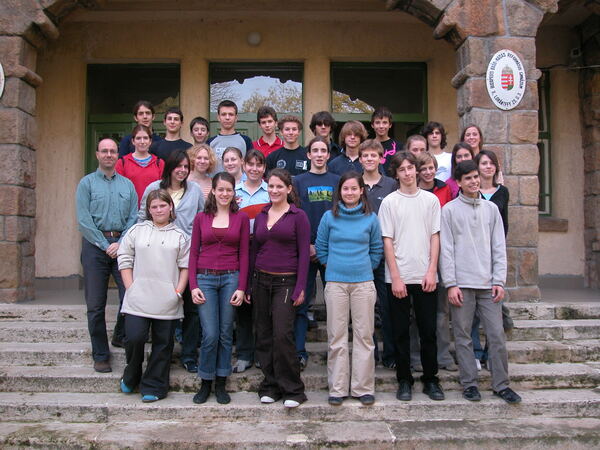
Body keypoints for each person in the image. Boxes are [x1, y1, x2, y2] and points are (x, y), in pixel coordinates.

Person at [440, 160, 521, 404]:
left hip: (488, 285)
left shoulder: (491, 210)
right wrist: (451, 284)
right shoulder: (449, 211)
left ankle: (501, 384)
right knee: (463, 336)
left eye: (476, 176)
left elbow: (499, 247)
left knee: (496, 334)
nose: (474, 181)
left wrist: (499, 280)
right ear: (459, 182)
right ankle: (470, 384)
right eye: (468, 178)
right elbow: (446, 250)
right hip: (461, 284)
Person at [378, 151, 444, 402]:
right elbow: (387, 241)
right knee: (400, 332)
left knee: (428, 331)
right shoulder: (389, 202)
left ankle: (431, 379)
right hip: (399, 277)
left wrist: (432, 270)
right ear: (396, 174)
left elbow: (435, 236)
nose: (407, 173)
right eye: (401, 169)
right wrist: (395, 277)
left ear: (417, 170)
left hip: (425, 275)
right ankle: (404, 380)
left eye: (410, 168)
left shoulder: (430, 200)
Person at [316, 172, 383, 406]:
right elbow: (321, 247)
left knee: (364, 336)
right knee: (337, 336)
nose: (350, 193)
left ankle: (363, 388)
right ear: (340, 192)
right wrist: (334, 266)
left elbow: (376, 249)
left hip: (363, 283)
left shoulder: (371, 218)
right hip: (336, 283)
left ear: (361, 190)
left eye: (354, 188)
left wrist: (363, 267)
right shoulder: (329, 217)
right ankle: (337, 388)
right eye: (345, 189)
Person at [117, 189, 190, 402]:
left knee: (163, 345)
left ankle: (154, 386)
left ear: (170, 207)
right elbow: (124, 257)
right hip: (138, 298)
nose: (159, 210)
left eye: (163, 205)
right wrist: (130, 287)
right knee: (134, 338)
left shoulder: (180, 236)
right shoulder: (137, 231)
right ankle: (132, 374)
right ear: (149, 210)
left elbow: (185, 267)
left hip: (167, 300)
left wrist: (178, 292)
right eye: (154, 207)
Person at [138, 149, 205, 373]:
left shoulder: (195, 190)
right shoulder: (154, 188)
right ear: (170, 167)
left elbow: (202, 218)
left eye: (186, 167)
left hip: (188, 255)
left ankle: (189, 355)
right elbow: (141, 219)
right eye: (179, 166)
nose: (182, 170)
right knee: (164, 307)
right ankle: (163, 354)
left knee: (191, 308)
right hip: (159, 257)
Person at [249, 168, 310, 408]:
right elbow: (254, 250)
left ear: (288, 189)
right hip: (260, 280)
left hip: (286, 281)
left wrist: (301, 286)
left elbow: (304, 253)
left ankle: (293, 390)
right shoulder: (262, 215)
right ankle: (270, 386)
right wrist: (249, 285)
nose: (274, 190)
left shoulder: (298, 216)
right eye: (271, 186)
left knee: (282, 335)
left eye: (279, 186)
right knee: (263, 334)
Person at [76, 138, 138, 373]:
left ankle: (120, 335)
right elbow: (84, 220)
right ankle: (101, 354)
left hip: (123, 245)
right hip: (95, 246)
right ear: (97, 154)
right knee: (95, 305)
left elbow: (134, 217)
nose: (109, 154)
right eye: (104, 151)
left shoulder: (127, 185)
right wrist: (105, 245)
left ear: (117, 155)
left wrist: (120, 243)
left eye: (113, 151)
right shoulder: (87, 184)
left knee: (129, 298)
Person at [189, 172, 250, 405]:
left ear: (234, 192)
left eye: (229, 190)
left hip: (230, 279)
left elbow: (244, 254)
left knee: (225, 333)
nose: (225, 194)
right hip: (205, 279)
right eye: (221, 189)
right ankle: (206, 381)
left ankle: (222, 382)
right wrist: (193, 285)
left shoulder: (241, 218)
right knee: (210, 334)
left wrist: (242, 287)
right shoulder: (201, 218)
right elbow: (193, 253)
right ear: (213, 191)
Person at [292, 136, 340, 370]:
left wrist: (325, 246)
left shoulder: (338, 181)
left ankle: (336, 353)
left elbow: (341, 215)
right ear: (308, 154)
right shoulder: (298, 181)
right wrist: (307, 245)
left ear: (328, 155)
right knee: (300, 303)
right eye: (315, 151)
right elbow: (294, 216)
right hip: (306, 250)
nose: (319, 155)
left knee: (336, 306)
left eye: (323, 151)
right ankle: (299, 352)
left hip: (332, 251)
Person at [410, 152, 457, 373]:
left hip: (442, 253)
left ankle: (443, 355)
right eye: (424, 169)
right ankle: (416, 356)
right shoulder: (412, 192)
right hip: (417, 253)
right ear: (417, 172)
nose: (428, 172)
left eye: (431, 168)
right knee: (415, 311)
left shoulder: (445, 190)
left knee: (441, 310)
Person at [359, 139, 397, 369]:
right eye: (365, 155)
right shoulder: (354, 184)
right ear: (360, 159)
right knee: (364, 309)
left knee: (387, 307)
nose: (370, 159)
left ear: (381, 158)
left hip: (386, 256)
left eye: (374, 155)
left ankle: (390, 353)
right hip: (360, 256)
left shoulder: (391, 184)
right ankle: (369, 355)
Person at [471, 150, 510, 369]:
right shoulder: (470, 191)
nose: (488, 167)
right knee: (472, 314)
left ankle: (489, 354)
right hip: (472, 254)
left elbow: (505, 224)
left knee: (494, 310)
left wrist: (498, 249)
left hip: (493, 253)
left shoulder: (502, 192)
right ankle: (476, 352)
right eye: (484, 163)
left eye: (491, 163)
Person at [232, 150, 270, 374]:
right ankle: (244, 354)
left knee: (264, 306)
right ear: (244, 166)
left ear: (264, 168)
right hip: (240, 251)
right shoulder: (234, 191)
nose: (254, 168)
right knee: (243, 304)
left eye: (259, 164)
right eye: (251, 164)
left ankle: (263, 353)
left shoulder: (270, 190)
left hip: (266, 251)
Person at [115, 124, 164, 206]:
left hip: (154, 209)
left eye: (145, 138)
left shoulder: (159, 163)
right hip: (129, 210)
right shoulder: (122, 163)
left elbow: (163, 191)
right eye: (138, 138)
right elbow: (117, 190)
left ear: (150, 141)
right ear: (133, 141)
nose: (142, 142)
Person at [207, 100, 253, 172]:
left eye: (231, 114)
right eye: (223, 114)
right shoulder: (210, 142)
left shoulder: (246, 141)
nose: (227, 117)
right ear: (218, 117)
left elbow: (251, 165)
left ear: (236, 118)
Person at [371, 106, 403, 175]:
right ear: (372, 125)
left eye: (384, 122)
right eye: (377, 123)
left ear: (390, 125)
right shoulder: (367, 146)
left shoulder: (399, 146)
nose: (381, 126)